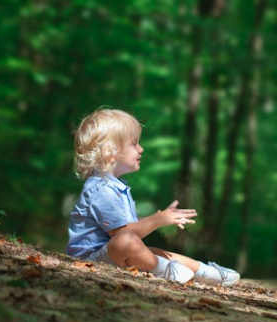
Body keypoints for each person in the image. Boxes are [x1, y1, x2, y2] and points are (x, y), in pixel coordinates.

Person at [66, 108, 240, 286]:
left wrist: (158, 219)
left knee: (153, 250)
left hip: (111, 252)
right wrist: (157, 220)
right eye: (134, 144)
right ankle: (167, 271)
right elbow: (123, 235)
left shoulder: (114, 186)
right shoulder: (102, 189)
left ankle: (205, 272)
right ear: (110, 152)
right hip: (92, 259)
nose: (141, 149)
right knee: (129, 242)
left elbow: (125, 226)